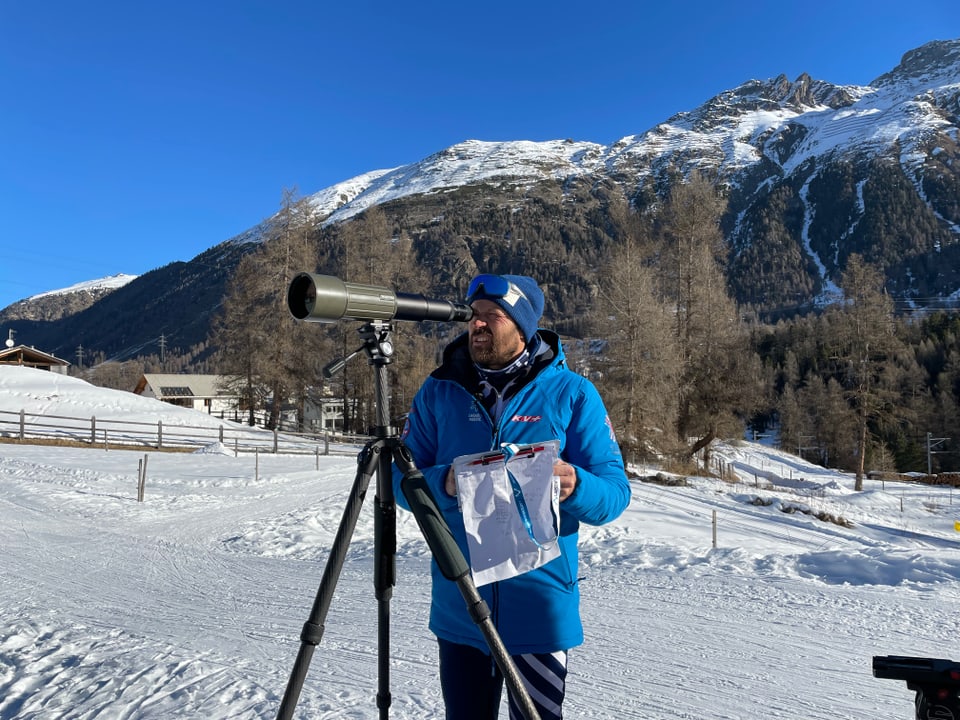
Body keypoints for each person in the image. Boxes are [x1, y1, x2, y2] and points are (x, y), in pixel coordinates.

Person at [393, 273, 631, 719]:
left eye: (491, 317)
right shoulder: (438, 391)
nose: (476, 325)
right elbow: (396, 479)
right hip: (462, 608)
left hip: (539, 613)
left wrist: (574, 484)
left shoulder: (573, 394)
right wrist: (445, 483)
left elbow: (615, 494)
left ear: (522, 328)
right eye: (472, 315)